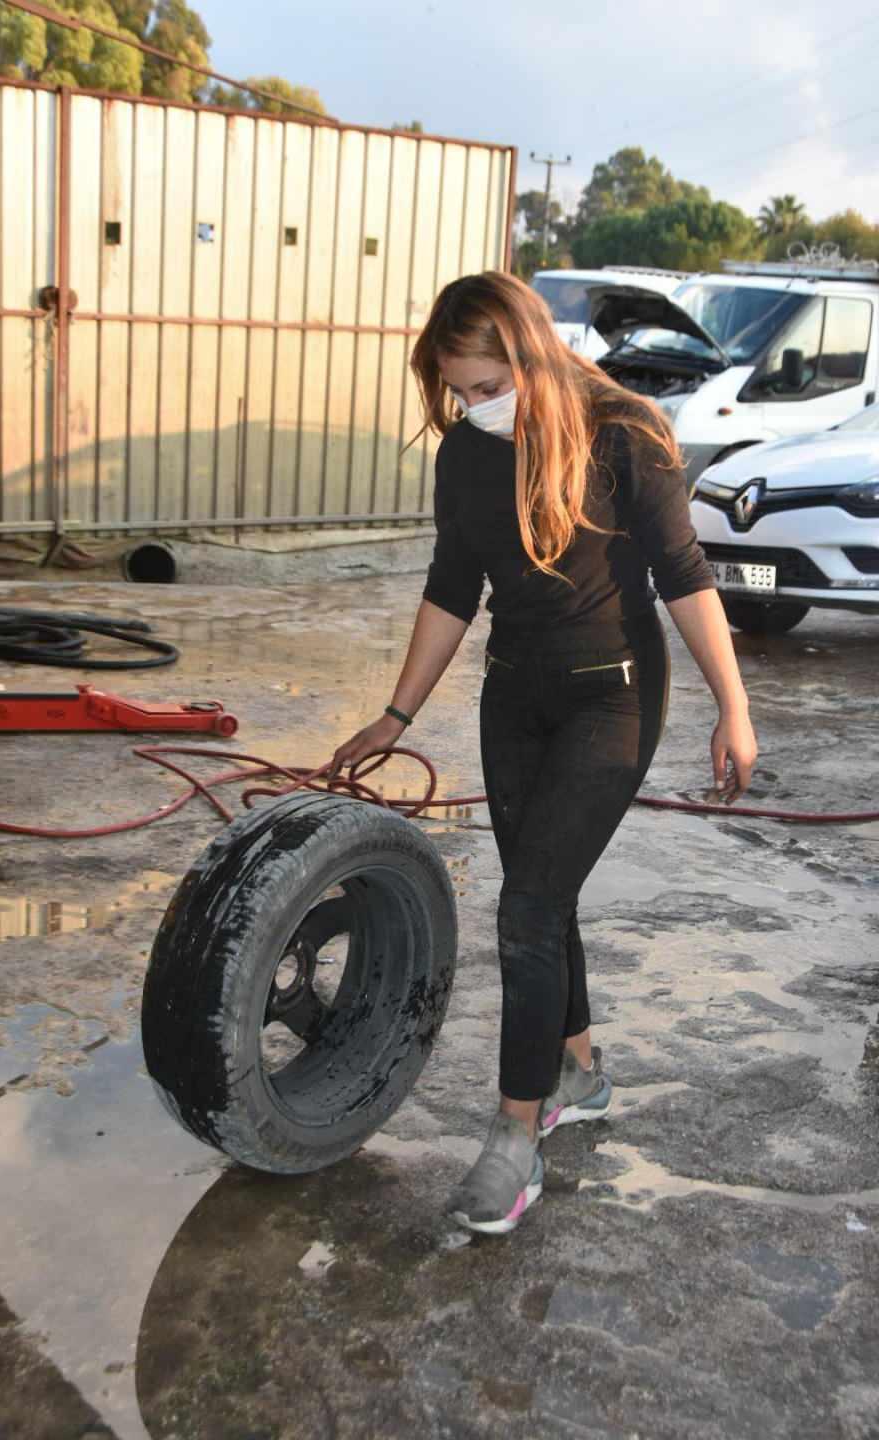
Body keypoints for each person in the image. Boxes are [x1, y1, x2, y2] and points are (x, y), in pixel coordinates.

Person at [331, 272, 757, 1236]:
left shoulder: (627, 431)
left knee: (525, 908)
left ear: (528, 354)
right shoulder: (467, 455)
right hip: (512, 690)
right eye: (459, 393)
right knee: (539, 889)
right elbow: (451, 586)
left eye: (487, 385)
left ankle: (515, 1138)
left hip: (613, 693)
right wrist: (395, 716)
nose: (475, 408)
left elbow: (687, 578)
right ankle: (581, 1070)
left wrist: (731, 708)